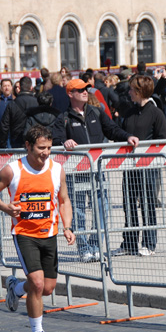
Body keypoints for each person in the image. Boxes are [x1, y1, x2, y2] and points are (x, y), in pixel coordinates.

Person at [0, 125, 76, 332]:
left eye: (48, 147)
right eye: (40, 148)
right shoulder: (12, 170)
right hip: (25, 234)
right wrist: (6, 208)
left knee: (46, 288)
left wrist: (67, 226)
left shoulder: (57, 170)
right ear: (28, 146)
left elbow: (64, 200)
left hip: (50, 234)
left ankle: (16, 288)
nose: (45, 153)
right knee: (36, 283)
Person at [53, 79, 139, 262]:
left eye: (86, 89)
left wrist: (127, 136)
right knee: (78, 211)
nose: (86, 91)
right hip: (76, 173)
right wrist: (63, 142)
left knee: (102, 208)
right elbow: (56, 138)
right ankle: (83, 247)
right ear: (70, 94)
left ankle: (96, 245)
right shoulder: (64, 118)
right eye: (81, 89)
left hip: (98, 170)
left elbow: (112, 129)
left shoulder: (96, 112)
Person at [112, 75, 166, 257]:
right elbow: (121, 132)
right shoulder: (129, 111)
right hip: (130, 166)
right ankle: (129, 242)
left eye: (132, 90)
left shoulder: (156, 112)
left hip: (148, 167)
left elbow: (161, 139)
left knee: (147, 204)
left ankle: (149, 242)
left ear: (140, 91)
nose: (129, 93)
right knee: (129, 204)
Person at [0, 76, 38, 149]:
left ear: (20, 88)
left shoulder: (12, 104)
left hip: (16, 140)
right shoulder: (37, 102)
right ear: (31, 87)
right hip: (34, 139)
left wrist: (2, 144)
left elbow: (4, 126)